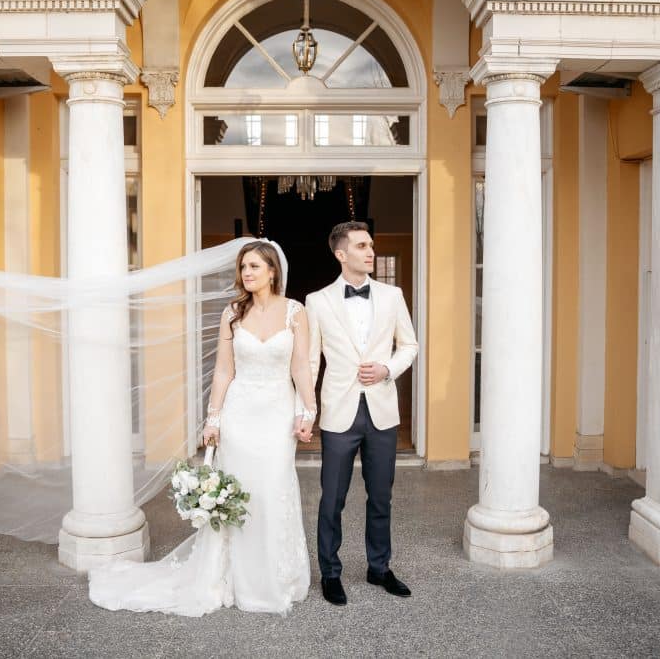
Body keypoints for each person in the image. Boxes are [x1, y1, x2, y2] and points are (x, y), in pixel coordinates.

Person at [88, 240, 317, 616]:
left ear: (273, 271)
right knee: (240, 491)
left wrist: (308, 410)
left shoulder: (295, 312)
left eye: (255, 266)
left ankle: (275, 577)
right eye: (244, 267)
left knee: (274, 488)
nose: (247, 273)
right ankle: (231, 577)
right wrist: (213, 420)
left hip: (276, 414)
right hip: (239, 413)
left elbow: (301, 367)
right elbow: (224, 369)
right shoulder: (232, 312)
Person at [305, 221, 418, 606]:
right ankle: (330, 573)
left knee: (381, 497)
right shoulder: (317, 301)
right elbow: (309, 360)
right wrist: (307, 411)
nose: (370, 251)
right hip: (339, 410)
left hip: (382, 410)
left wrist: (388, 368)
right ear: (341, 254)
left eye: (371, 244)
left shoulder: (392, 295)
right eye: (361, 245)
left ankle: (379, 568)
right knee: (332, 498)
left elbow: (410, 345)